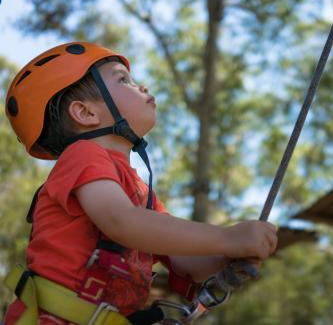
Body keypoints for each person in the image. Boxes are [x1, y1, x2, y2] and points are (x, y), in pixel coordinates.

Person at [3, 42, 277, 325]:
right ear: (86, 114)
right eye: (123, 79)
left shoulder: (141, 194)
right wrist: (228, 238)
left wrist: (226, 257)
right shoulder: (83, 155)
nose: (142, 87)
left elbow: (183, 260)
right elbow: (121, 222)